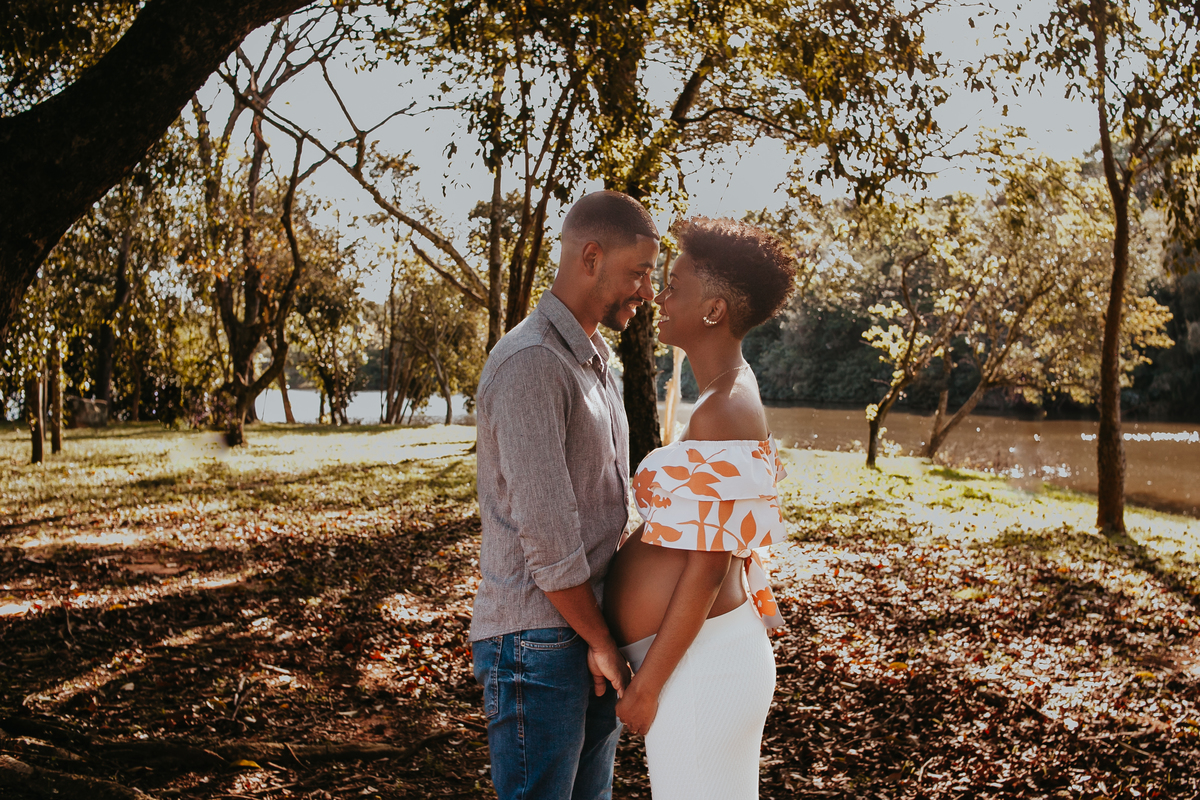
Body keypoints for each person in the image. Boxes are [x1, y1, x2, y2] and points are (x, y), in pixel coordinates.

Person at [470, 190, 661, 800]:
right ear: (591, 257)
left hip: (588, 632)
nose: (648, 292)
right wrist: (602, 641)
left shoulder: (593, 362)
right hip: (539, 643)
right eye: (638, 273)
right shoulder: (532, 364)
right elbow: (550, 543)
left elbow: (602, 515)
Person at [604, 216, 797, 800]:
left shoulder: (725, 408)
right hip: (699, 663)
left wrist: (647, 687)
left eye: (674, 286)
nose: (657, 296)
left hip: (699, 671)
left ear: (713, 309)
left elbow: (711, 565)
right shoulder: (723, 395)